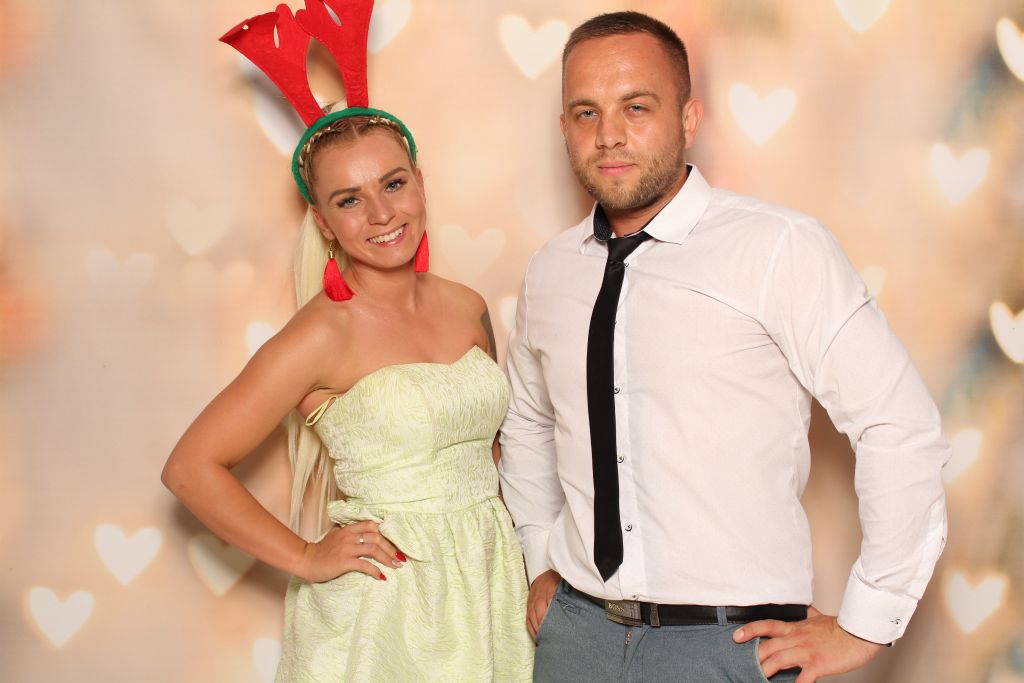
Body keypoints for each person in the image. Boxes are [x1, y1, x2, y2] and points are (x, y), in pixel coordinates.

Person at [498, 11, 949, 683]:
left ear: (688, 118)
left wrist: (867, 620)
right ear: (564, 127)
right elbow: (529, 424)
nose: (609, 134)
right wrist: (539, 558)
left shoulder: (779, 249)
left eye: (636, 107)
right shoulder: (551, 271)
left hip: (730, 645)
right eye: (586, 112)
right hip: (575, 639)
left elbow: (899, 425)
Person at [162, 3, 533, 680]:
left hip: (489, 592)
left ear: (420, 184)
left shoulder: (468, 306)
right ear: (323, 221)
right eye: (350, 199)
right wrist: (307, 556)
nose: (382, 213)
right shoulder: (320, 334)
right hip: (383, 610)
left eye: (393, 184)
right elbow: (191, 467)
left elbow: (496, 456)